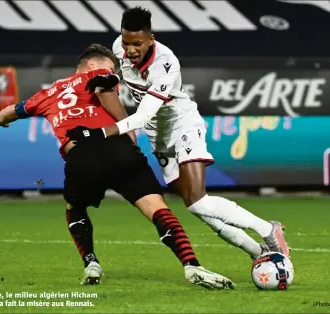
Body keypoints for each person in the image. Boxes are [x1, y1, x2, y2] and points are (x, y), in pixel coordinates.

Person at [0, 44, 235, 289]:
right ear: (93, 65)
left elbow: (14, 111)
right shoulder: (96, 75)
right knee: (155, 207)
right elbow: (106, 89)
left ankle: (90, 262)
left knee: (75, 207)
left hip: (80, 154)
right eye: (110, 66)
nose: (113, 71)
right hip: (117, 148)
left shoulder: (48, 93)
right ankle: (192, 265)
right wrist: (126, 125)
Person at [66, 7, 290, 261]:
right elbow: (117, 88)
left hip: (181, 124)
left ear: (151, 38)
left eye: (137, 44)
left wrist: (99, 133)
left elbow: (142, 116)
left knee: (197, 201)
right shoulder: (119, 47)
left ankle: (268, 229)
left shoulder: (166, 63)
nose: (130, 50)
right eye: (127, 43)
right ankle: (258, 252)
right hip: (159, 138)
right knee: (198, 209)